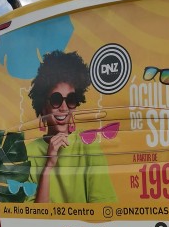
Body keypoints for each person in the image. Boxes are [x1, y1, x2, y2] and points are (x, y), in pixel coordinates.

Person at [26, 50, 117, 203]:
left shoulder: (89, 145)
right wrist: (48, 166)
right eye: (56, 99)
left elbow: (103, 210)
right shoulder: (29, 153)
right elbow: (36, 218)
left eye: (71, 100)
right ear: (43, 107)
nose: (64, 108)